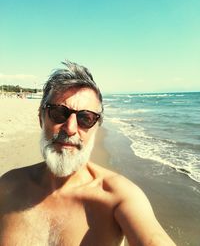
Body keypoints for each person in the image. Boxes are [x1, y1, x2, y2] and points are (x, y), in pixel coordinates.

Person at [0, 61, 176, 246]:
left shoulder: (118, 198)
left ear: (97, 128)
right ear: (41, 118)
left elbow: (152, 238)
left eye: (86, 118)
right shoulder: (8, 186)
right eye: (59, 113)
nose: (70, 129)